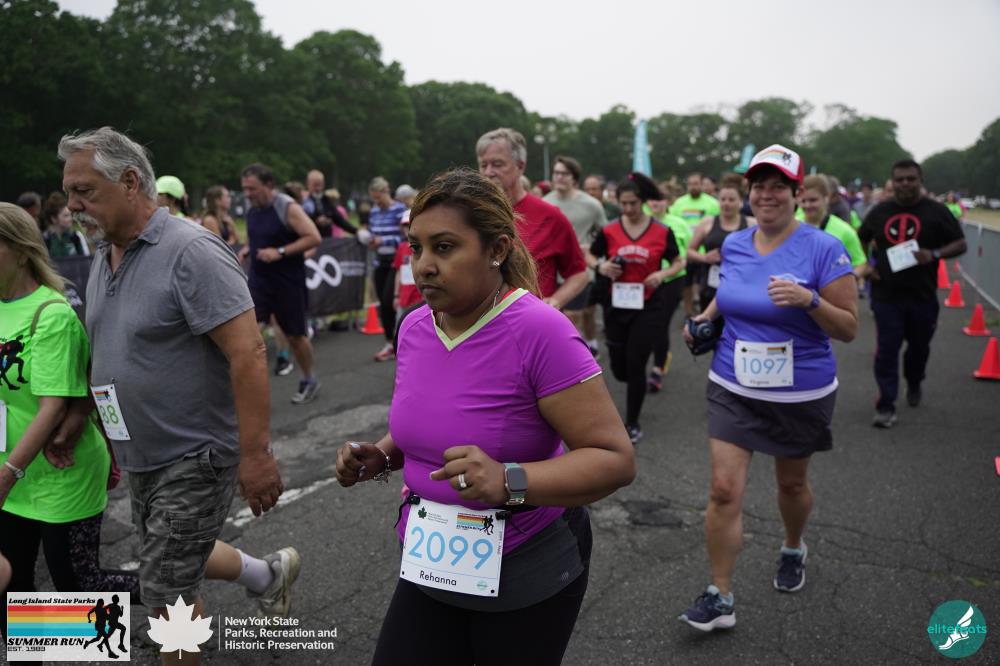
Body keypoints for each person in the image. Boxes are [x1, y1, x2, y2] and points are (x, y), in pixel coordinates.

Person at [335, 168, 635, 666]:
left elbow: (615, 460)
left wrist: (508, 480)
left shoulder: (542, 331)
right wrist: (382, 456)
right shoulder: (414, 326)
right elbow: (429, 424)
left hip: (526, 567)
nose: (424, 266)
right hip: (429, 565)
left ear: (496, 250)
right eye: (416, 248)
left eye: (444, 247)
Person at [57, 129, 301, 664]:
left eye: (84, 190)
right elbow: (109, 349)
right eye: (69, 191)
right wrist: (82, 417)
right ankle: (266, 576)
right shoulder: (105, 252)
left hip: (195, 455)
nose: (72, 204)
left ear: (129, 181)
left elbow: (248, 352)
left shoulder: (191, 250)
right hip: (141, 453)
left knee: (166, 591)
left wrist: (256, 454)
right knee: (171, 565)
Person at [678, 144, 858, 632]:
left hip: (799, 391)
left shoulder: (824, 248)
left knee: (791, 484)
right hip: (732, 383)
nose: (767, 195)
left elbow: (848, 328)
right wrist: (703, 319)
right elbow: (727, 294)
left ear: (798, 193)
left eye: (779, 186)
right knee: (723, 489)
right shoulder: (736, 243)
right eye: (759, 186)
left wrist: (808, 300)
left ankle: (793, 546)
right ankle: (720, 595)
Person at [0, 202, 138, 644]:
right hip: (13, 476)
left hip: (60, 472)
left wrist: (8, 473)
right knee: (13, 586)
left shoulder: (51, 313)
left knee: (79, 586)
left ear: (22, 251)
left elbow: (52, 407)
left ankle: (170, 591)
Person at [857, 158, 966, 428]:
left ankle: (914, 380)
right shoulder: (880, 211)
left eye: (910, 179)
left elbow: (960, 243)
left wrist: (935, 253)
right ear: (893, 182)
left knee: (918, 349)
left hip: (922, 295)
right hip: (886, 295)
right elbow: (861, 237)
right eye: (899, 179)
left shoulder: (937, 211)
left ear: (920, 181)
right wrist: (867, 265)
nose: (905, 184)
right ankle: (886, 405)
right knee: (887, 351)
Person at [586, 173, 684, 442]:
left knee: (636, 364)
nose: (628, 209)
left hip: (648, 305)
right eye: (623, 204)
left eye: (633, 203)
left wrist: (661, 274)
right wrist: (601, 266)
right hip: (615, 305)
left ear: (643, 202)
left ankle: (632, 422)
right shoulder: (610, 231)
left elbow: (678, 262)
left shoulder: (661, 231)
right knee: (619, 369)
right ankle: (630, 383)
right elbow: (590, 254)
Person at [477, 128, 588, 310]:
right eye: (483, 165)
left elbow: (579, 274)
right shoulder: (471, 214)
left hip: (530, 321)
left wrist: (556, 301)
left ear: (520, 166)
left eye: (497, 164)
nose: (489, 172)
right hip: (483, 320)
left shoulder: (550, 216)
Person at [240, 163, 323, 403]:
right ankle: (247, 392)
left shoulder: (286, 206)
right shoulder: (252, 209)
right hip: (259, 281)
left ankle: (309, 379)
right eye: (244, 189)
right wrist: (247, 249)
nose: (247, 194)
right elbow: (257, 237)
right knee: (247, 332)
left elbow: (314, 237)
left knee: (295, 336)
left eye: (252, 189)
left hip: (287, 282)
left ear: (268, 185)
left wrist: (280, 251)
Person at [543, 156, 608, 354]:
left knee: (574, 316)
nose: (559, 177)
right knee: (554, 316)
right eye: (556, 173)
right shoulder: (545, 203)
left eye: (564, 174)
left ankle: (581, 352)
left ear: (574, 178)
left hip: (579, 270)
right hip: (551, 270)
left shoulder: (591, 204)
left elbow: (606, 234)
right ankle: (570, 352)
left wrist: (593, 248)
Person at [646, 190, 691, 390]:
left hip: (673, 278)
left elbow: (690, 248)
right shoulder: (643, 222)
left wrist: (686, 263)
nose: (655, 204)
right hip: (647, 279)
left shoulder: (679, 223)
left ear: (667, 202)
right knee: (647, 323)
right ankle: (659, 354)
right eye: (652, 200)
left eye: (659, 200)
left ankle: (657, 367)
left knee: (660, 322)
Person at [364, 177, 408, 362]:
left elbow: (406, 237)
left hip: (395, 261)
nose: (377, 202)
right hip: (379, 261)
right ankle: (389, 342)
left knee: (391, 300)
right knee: (382, 302)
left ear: (386, 192)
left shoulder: (399, 209)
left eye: (379, 198)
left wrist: (384, 241)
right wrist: (371, 240)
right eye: (374, 198)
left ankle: (401, 340)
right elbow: (373, 232)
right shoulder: (374, 211)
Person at [670, 172, 721, 316]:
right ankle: (688, 311)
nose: (693, 187)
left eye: (696, 184)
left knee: (704, 283)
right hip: (685, 251)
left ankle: (707, 311)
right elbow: (673, 224)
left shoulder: (712, 203)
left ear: (701, 184)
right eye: (690, 184)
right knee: (686, 283)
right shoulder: (679, 203)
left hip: (705, 252)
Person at [798, 175, 867, 280]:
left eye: (813, 200)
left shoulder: (844, 230)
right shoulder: (791, 225)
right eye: (803, 201)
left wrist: (846, 282)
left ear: (826, 198)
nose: (807, 205)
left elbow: (860, 263)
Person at [303, 170, 356, 238]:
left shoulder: (327, 201)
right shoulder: (303, 201)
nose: (317, 188)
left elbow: (339, 220)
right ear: (308, 184)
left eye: (320, 185)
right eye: (315, 185)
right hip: (309, 239)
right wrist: (315, 220)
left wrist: (357, 231)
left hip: (327, 238)